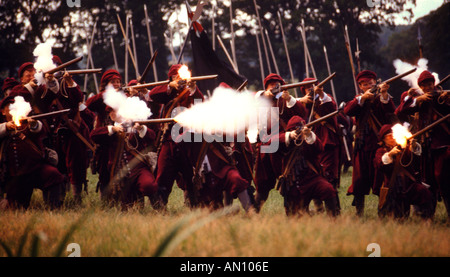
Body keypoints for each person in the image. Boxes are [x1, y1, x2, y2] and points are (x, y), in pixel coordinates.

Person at [395, 70, 450, 220]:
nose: (427, 87)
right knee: (428, 181)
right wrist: (414, 99)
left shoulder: (443, 97)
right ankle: (427, 216)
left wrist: (447, 99)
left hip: (442, 146)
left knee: (443, 179)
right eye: (424, 85)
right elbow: (400, 111)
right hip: (426, 148)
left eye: (429, 84)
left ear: (434, 84)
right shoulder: (419, 101)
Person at [149, 64, 204, 210]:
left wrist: (193, 88)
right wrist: (170, 86)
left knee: (190, 177)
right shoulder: (168, 92)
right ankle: (160, 208)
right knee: (163, 174)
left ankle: (193, 205)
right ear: (172, 78)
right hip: (169, 140)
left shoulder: (190, 92)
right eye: (176, 77)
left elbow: (199, 102)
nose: (179, 79)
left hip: (188, 142)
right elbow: (153, 94)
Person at [344, 70, 396, 217]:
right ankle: (359, 212)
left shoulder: (382, 98)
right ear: (360, 86)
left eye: (370, 83)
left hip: (378, 145)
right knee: (359, 180)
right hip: (361, 145)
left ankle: (383, 211)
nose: (368, 86)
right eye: (365, 84)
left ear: (375, 83)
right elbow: (348, 110)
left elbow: (391, 113)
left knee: (380, 179)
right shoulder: (358, 99)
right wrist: (362, 99)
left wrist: (385, 95)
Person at [253, 73, 308, 212]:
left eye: (276, 84)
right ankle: (253, 212)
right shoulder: (261, 99)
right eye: (271, 85)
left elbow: (302, 114)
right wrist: (266, 94)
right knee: (262, 183)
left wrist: (289, 98)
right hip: (266, 147)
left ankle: (293, 212)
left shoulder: (286, 100)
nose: (274, 87)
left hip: (284, 147)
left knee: (288, 180)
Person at [0, 95, 64, 209]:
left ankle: (54, 209)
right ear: (3, 112)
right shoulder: (2, 126)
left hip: (35, 169)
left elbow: (40, 130)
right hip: (15, 176)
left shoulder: (26, 123)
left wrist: (33, 123)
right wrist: (6, 127)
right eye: (9, 108)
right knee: (15, 208)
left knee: (53, 174)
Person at [90, 107, 157, 208]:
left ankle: (158, 207)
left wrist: (140, 128)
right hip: (120, 173)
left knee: (149, 185)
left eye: (114, 110)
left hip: (139, 169)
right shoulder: (110, 130)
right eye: (109, 111)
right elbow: (93, 135)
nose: (111, 113)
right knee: (125, 206)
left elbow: (152, 136)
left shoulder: (134, 126)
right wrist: (113, 129)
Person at [274, 115, 339, 217]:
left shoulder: (309, 138)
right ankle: (308, 214)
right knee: (294, 217)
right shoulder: (285, 141)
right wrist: (289, 135)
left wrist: (309, 135)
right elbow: (269, 142)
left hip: (312, 179)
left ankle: (334, 220)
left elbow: (320, 148)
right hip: (293, 184)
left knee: (328, 189)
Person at [373, 124, 434, 220]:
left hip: (409, 185)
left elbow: (417, 160)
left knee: (424, 193)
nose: (392, 138)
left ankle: (427, 221)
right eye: (389, 136)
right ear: (383, 139)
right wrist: (390, 154)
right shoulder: (381, 151)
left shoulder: (405, 147)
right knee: (399, 218)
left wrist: (413, 146)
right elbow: (380, 164)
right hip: (393, 187)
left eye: (393, 135)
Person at [298, 78, 341, 213]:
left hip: (327, 144)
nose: (310, 89)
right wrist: (301, 100)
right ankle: (318, 209)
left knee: (329, 177)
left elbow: (331, 106)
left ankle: (335, 210)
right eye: (307, 88)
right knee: (313, 174)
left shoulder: (326, 99)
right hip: (309, 147)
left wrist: (321, 94)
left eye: (313, 86)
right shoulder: (302, 104)